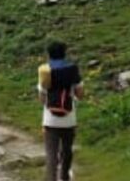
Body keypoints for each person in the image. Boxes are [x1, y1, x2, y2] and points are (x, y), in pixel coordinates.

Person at [37, 39, 83, 181]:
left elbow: (42, 98)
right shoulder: (72, 69)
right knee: (67, 152)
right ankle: (64, 178)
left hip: (50, 120)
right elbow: (80, 94)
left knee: (51, 155)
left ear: (49, 54)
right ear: (64, 53)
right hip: (69, 119)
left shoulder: (45, 70)